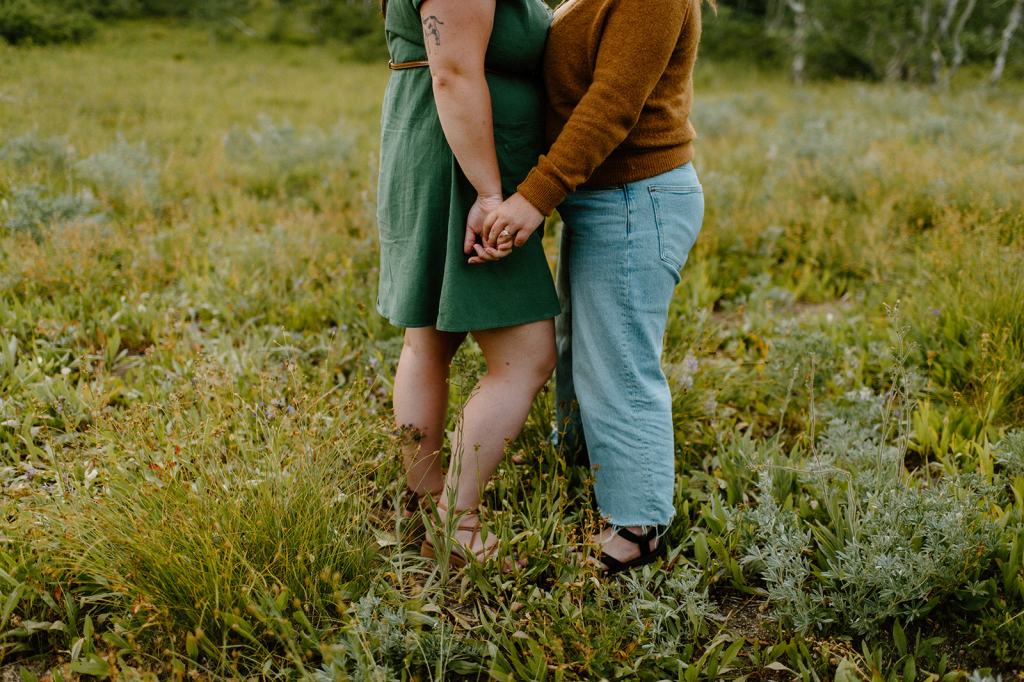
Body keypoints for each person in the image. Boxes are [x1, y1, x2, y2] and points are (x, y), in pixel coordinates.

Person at [478, 0, 710, 574]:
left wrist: (536, 196)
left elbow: (613, 103)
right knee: (579, 348)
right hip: (606, 200)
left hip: (639, 197)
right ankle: (584, 472)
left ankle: (638, 529)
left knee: (620, 361)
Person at [376, 0, 560, 567]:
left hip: (442, 149)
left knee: (428, 339)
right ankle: (457, 523)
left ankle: (424, 503)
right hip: (464, 164)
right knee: (525, 356)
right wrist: (489, 193)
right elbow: (452, 74)